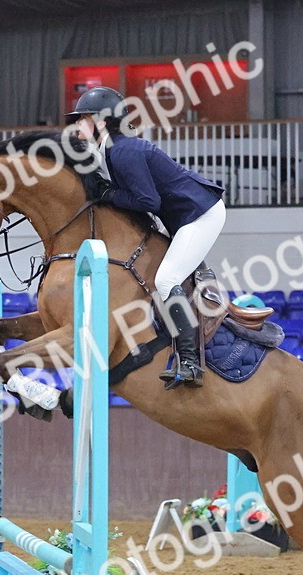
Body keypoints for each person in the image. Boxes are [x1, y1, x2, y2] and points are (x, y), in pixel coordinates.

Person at [66, 87, 226, 388]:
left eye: (83, 118)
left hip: (201, 214)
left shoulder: (124, 151)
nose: (77, 125)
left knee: (166, 280)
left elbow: (148, 203)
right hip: (183, 217)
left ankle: (191, 363)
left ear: (101, 122)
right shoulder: (109, 150)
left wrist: (110, 194)